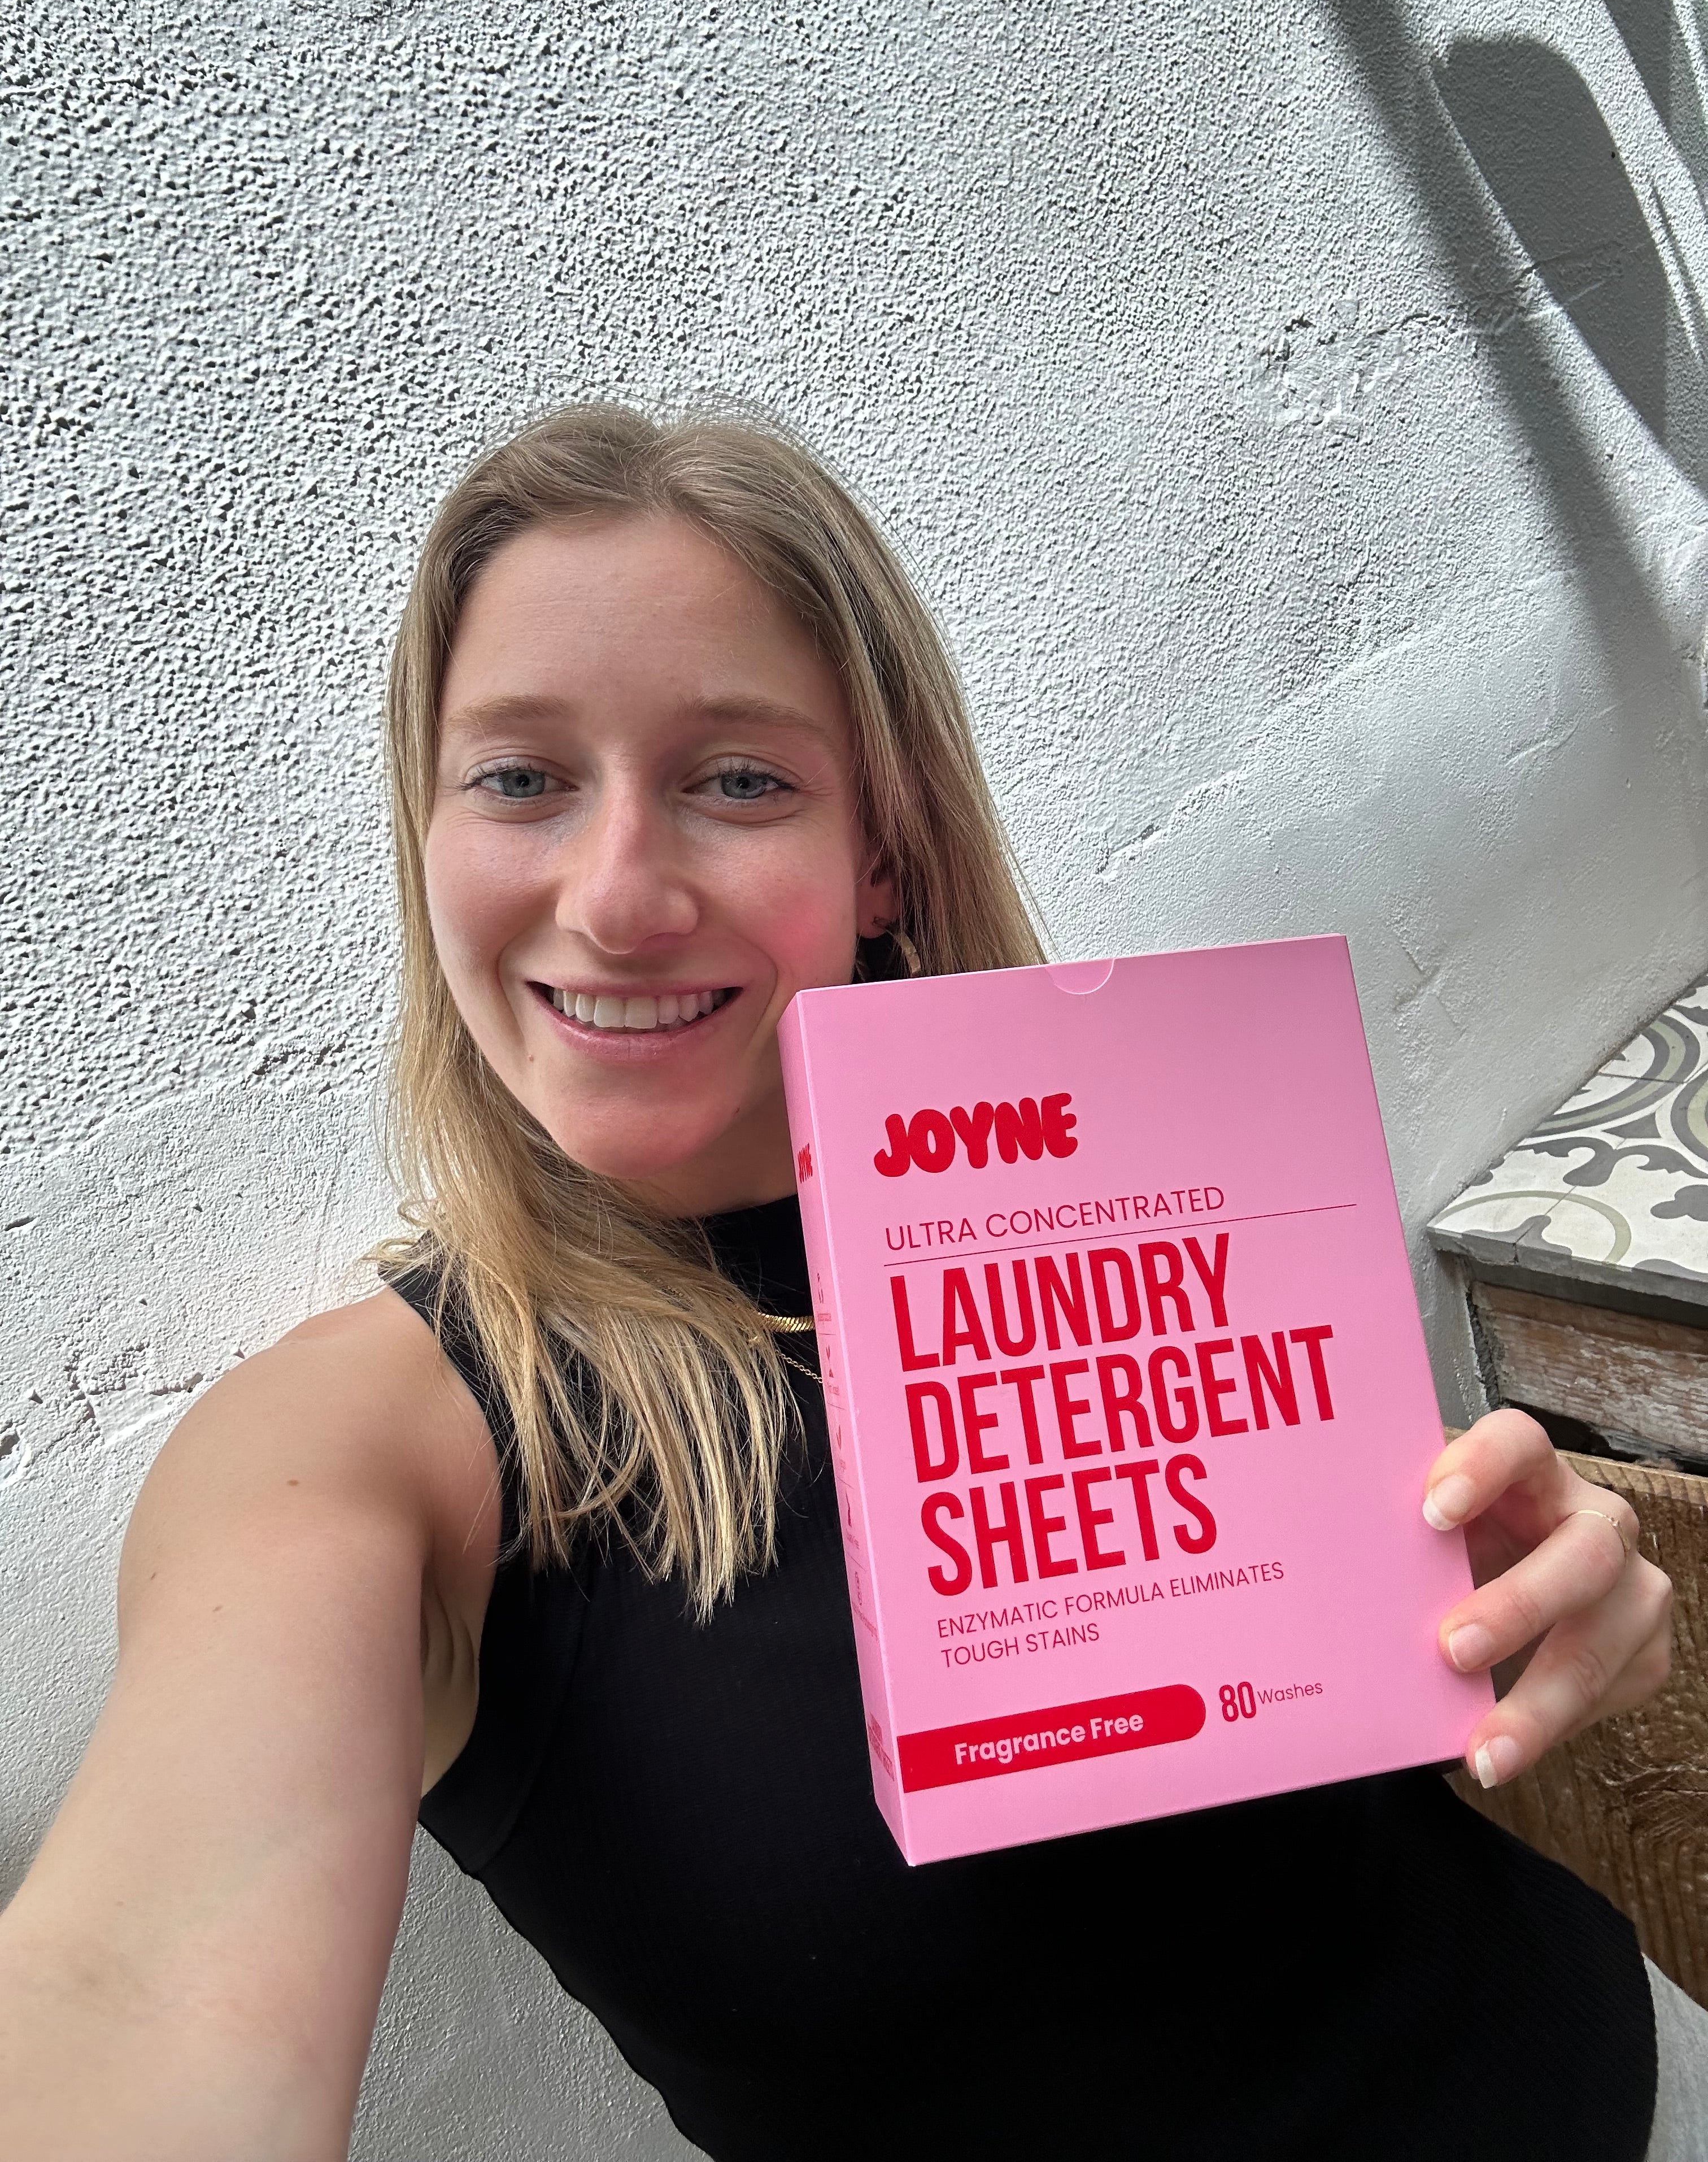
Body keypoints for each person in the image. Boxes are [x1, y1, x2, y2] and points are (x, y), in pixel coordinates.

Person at [0, 402, 1698, 2162]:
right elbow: (133, 1992)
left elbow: (1383, 1761)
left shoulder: (1124, 1181)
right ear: (424, 838)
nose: (620, 894)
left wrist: (1534, 1609)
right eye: (521, 777)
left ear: (876, 855)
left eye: (738, 779)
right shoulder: (363, 1444)